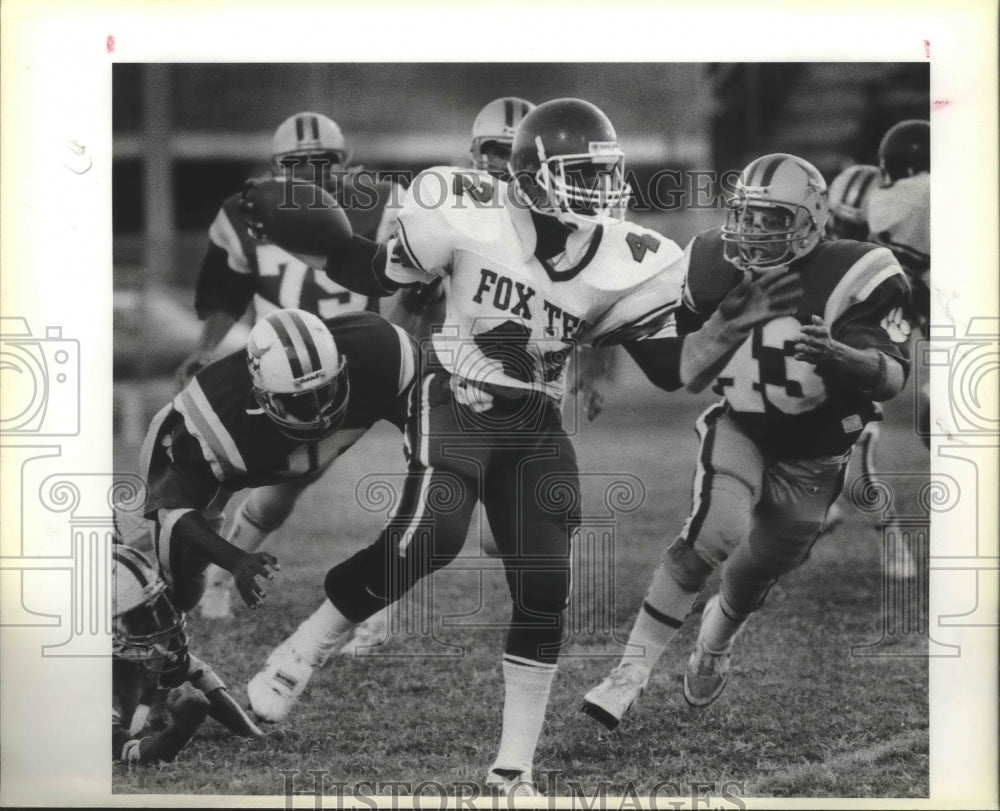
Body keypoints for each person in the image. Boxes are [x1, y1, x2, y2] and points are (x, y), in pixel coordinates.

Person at [239, 98, 700, 795]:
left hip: (535, 418)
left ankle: (513, 770)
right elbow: (376, 274)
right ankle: (307, 646)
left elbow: (669, 368)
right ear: (535, 176)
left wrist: (725, 310)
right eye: (583, 173)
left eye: (606, 173)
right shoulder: (462, 206)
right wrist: (321, 239)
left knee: (546, 586)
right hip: (454, 389)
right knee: (433, 534)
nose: (601, 189)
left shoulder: (627, 256)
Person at [580, 153, 912, 729]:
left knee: (758, 569)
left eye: (771, 218)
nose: (753, 231)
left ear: (811, 220)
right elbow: (670, 348)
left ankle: (716, 638)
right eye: (745, 216)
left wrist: (840, 355)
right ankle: (627, 676)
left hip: (817, 448)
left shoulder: (856, 269)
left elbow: (891, 374)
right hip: (741, 425)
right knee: (712, 532)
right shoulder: (711, 260)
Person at [175, 111, 402, 620]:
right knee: (277, 485)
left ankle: (380, 599)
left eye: (321, 163)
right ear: (278, 166)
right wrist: (207, 349)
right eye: (296, 164)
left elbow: (411, 275)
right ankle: (213, 573)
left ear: (342, 163)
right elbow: (225, 293)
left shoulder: (383, 201)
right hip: (284, 371)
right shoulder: (243, 212)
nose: (309, 174)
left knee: (427, 466)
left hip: (365, 360)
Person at [116, 308, 418, 623]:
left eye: (324, 391)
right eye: (300, 401)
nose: (318, 413)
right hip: (193, 460)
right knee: (182, 594)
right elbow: (173, 508)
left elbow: (425, 412)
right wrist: (234, 560)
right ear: (264, 395)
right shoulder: (210, 427)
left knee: (282, 493)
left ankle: (131, 524)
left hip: (273, 448)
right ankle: (119, 524)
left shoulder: (379, 350)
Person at [112, 542, 263, 764]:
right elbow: (138, 756)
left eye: (158, 606)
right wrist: (183, 728)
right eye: (139, 619)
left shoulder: (133, 651)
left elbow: (193, 671)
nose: (158, 623)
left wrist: (253, 734)